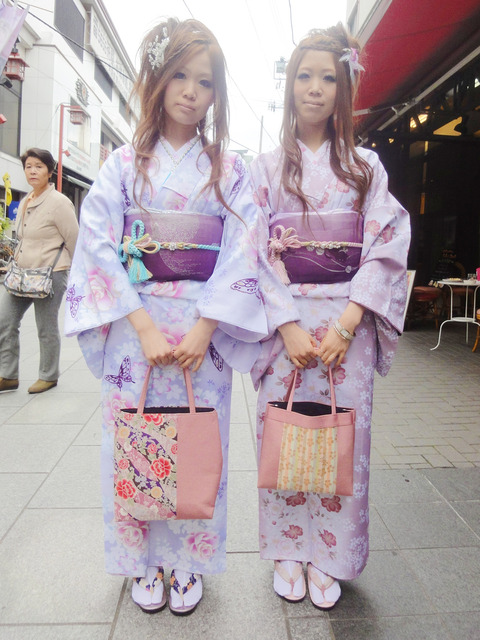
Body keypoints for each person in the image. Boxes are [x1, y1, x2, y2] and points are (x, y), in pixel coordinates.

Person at [64, 18, 267, 615]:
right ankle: (142, 560)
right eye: (179, 75)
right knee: (135, 438)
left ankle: (188, 560)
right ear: (155, 77)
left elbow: (245, 247)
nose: (190, 91)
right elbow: (98, 242)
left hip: (203, 332)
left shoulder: (229, 169)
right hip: (137, 330)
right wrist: (144, 326)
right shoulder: (122, 164)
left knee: (199, 441)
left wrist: (206, 326)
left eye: (204, 82)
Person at [250, 24, 410, 609]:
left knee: (344, 437)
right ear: (289, 85)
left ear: (344, 89)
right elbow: (252, 249)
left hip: (350, 322)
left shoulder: (366, 167)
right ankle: (287, 549)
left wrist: (347, 322)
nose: (314, 88)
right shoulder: (265, 168)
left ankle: (332, 555)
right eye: (304, 76)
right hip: (284, 326)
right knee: (283, 430)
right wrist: (287, 324)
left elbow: (387, 243)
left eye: (328, 78)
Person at [0, 148, 78, 394]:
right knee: (5, 320)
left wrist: (76, 274)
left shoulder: (59, 203)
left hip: (50, 273)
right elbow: (22, 238)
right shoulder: (26, 200)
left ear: (49, 171)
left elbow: (74, 239)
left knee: (45, 326)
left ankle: (48, 375)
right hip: (21, 274)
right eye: (28, 166)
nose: (32, 171)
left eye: (39, 166)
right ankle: (8, 375)